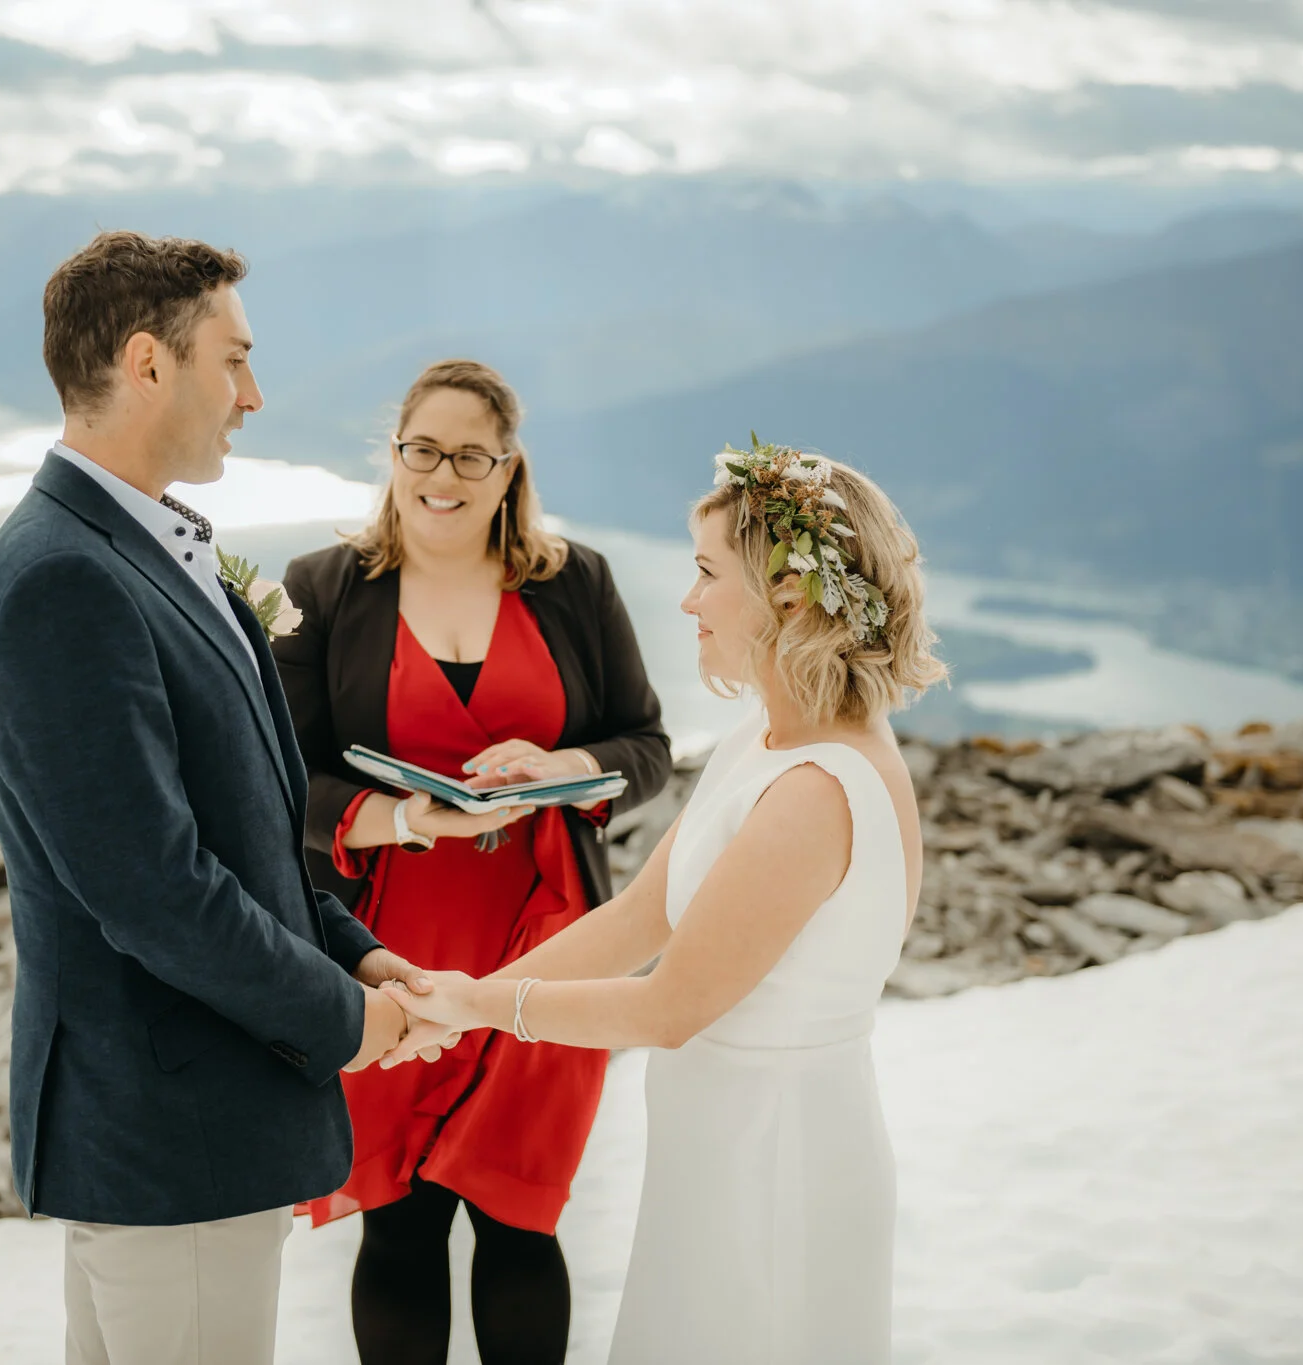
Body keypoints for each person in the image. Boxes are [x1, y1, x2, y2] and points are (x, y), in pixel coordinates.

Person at [0, 230, 452, 1365]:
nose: (253, 395)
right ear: (147, 364)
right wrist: (346, 1023)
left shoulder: (143, 548)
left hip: (187, 1125)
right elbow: (154, 891)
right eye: (231, 361)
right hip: (165, 1131)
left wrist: (355, 952)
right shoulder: (62, 580)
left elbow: (245, 837)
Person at [382, 440, 949, 1363]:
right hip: (719, 1145)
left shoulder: (818, 789)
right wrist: (463, 996)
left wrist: (475, 1008)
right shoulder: (762, 738)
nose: (687, 600)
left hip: (780, 1158)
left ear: (790, 596)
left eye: (706, 573)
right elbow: (638, 919)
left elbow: (670, 1004)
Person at [274, 360, 672, 1365]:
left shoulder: (572, 581)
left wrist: (563, 765)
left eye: (467, 455)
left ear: (507, 470)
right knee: (398, 1214)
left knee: (517, 1213)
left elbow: (646, 749)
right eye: (421, 449)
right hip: (385, 946)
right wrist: (399, 819)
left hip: (549, 941)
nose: (439, 474)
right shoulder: (324, 590)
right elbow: (275, 782)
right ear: (393, 454)